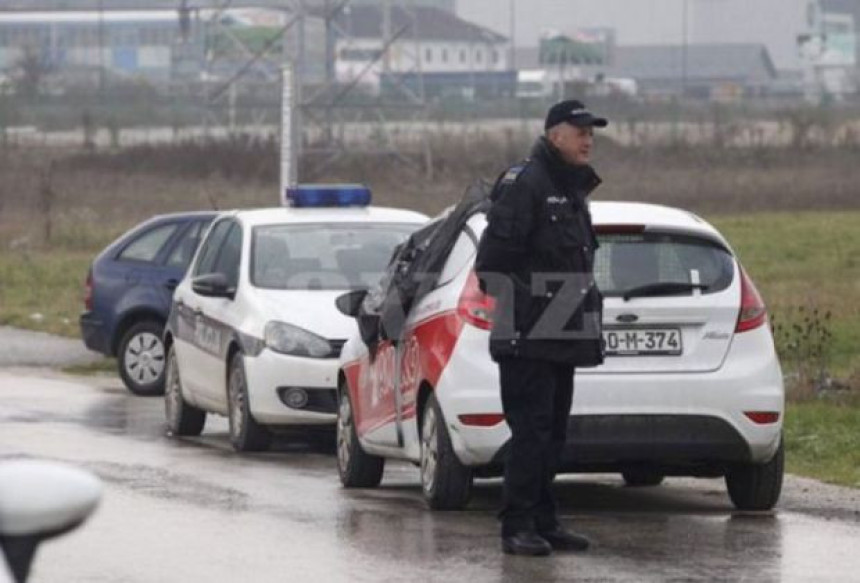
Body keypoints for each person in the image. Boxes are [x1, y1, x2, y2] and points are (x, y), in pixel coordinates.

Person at [475, 100, 607, 557]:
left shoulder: (569, 188)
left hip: (562, 334)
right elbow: (491, 266)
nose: (588, 139)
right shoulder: (526, 184)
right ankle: (517, 525)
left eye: (592, 132)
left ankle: (545, 520)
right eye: (579, 131)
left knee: (553, 433)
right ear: (554, 135)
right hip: (528, 335)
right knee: (530, 431)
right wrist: (533, 313)